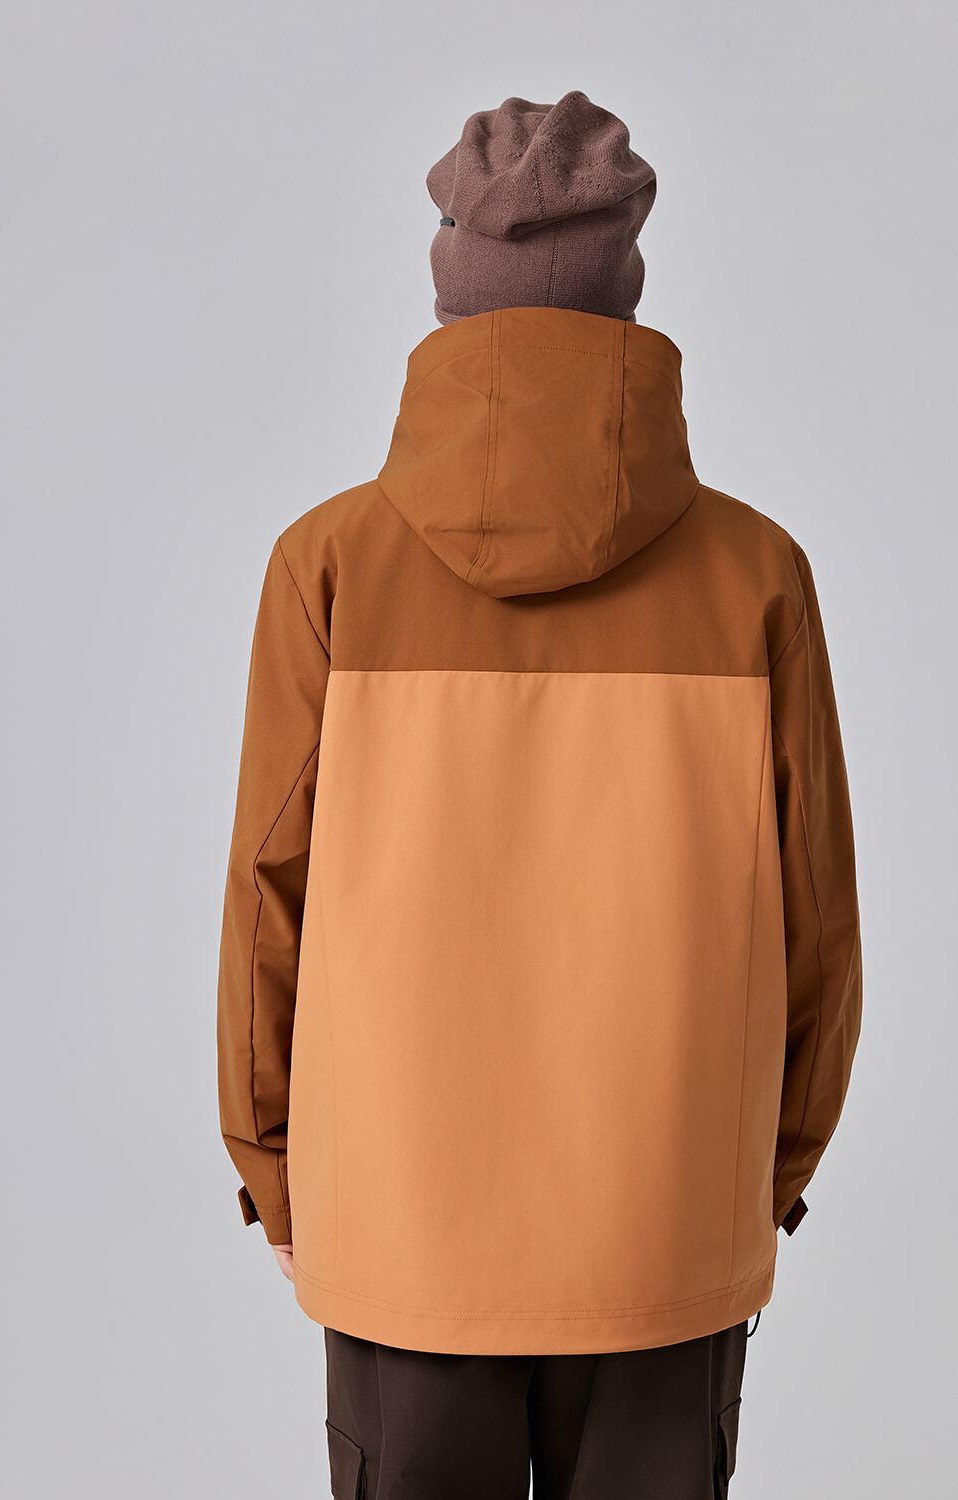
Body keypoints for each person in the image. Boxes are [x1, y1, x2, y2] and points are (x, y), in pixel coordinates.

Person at [216, 89, 862, 1499]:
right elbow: (816, 915)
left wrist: (273, 1166)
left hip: (399, 1215)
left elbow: (272, 889)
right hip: (667, 1206)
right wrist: (759, 1175)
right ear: (626, 295)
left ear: (450, 291)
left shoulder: (327, 565)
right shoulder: (758, 575)